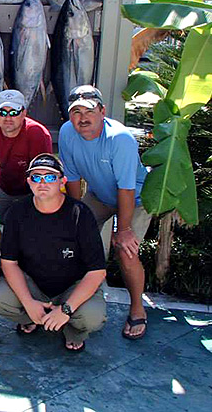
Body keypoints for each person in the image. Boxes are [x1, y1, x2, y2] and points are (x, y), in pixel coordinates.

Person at [58, 85, 151, 340]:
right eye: (75, 112)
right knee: (72, 238)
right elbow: (73, 180)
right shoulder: (67, 133)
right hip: (100, 195)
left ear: (102, 111)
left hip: (135, 198)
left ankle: (137, 307)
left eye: (88, 111)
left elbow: (126, 188)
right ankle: (77, 300)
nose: (82, 118)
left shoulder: (120, 139)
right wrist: (74, 218)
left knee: (126, 250)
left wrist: (123, 229)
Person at [0, 153, 107, 352]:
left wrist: (66, 309)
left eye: (50, 177)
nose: (42, 182)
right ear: (29, 181)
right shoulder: (18, 212)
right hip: (34, 286)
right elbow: (9, 263)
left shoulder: (81, 214)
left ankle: (71, 328)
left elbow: (97, 272)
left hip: (71, 288)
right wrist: (28, 302)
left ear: (62, 181)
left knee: (93, 317)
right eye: (36, 177)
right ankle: (33, 316)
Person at [0, 89, 52, 231]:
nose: (8, 118)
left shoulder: (38, 133)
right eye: (2, 113)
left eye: (14, 113)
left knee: (33, 225)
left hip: (33, 189)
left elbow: (44, 174)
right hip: (3, 186)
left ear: (24, 113)